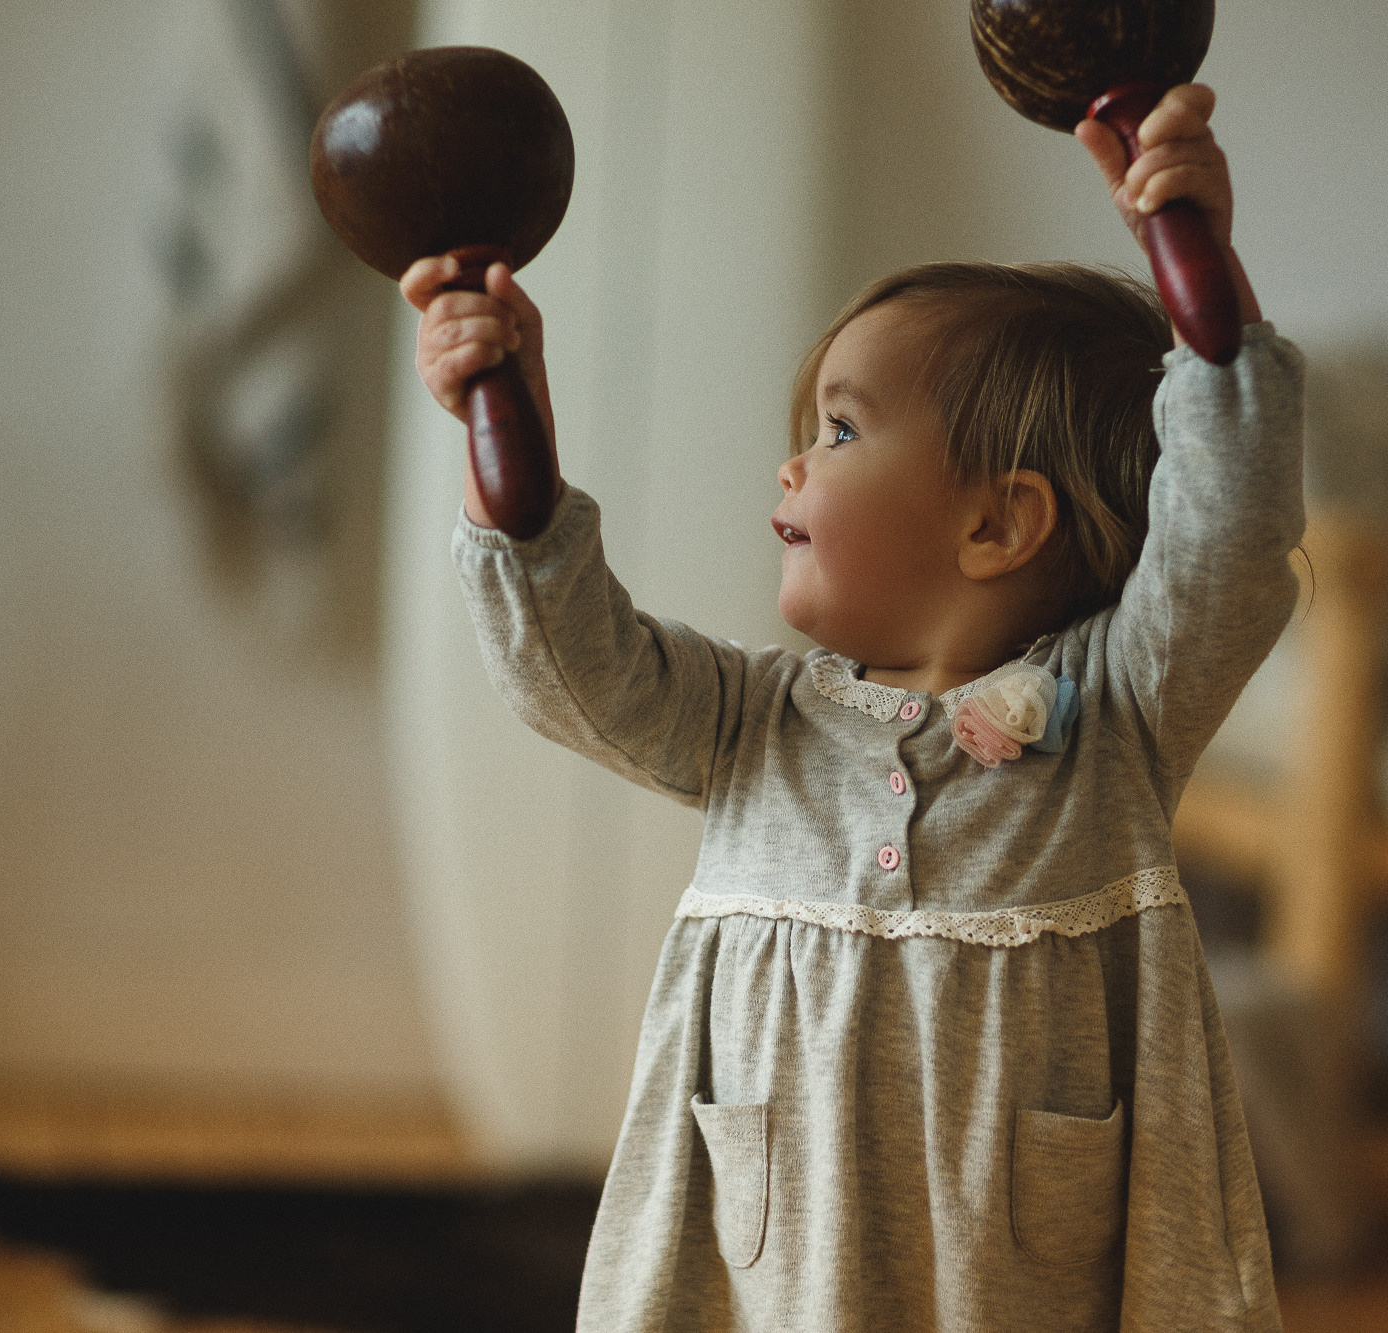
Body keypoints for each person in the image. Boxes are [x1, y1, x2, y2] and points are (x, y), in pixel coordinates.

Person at [403, 84, 1299, 1332]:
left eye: (838, 428)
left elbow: (1232, 529)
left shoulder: (1117, 711)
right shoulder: (744, 723)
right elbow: (573, 662)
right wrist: (507, 438)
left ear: (996, 521)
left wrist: (1191, 255)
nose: (790, 462)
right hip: (780, 1285)